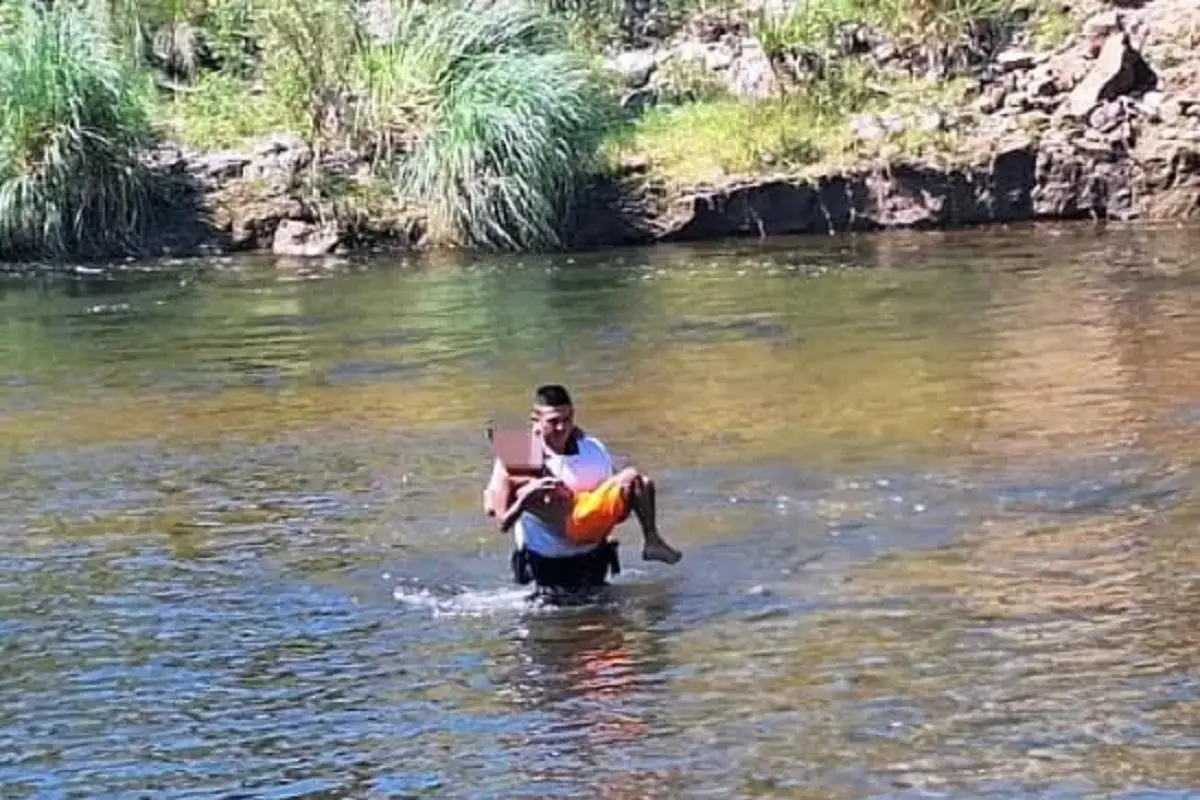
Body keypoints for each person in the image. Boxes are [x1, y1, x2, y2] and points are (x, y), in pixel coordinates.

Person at [483, 384, 682, 593]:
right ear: (536, 420)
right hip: (544, 566)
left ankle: (652, 540)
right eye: (553, 422)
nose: (561, 428)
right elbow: (495, 513)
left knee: (637, 480)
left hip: (593, 557)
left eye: (567, 420)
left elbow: (619, 505)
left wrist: (606, 519)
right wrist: (524, 498)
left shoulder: (591, 449)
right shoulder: (517, 458)